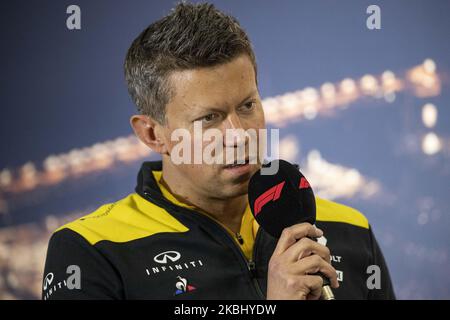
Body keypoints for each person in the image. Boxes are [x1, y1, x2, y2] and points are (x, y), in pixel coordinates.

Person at [42, 2, 395, 300]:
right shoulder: (91, 250)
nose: (239, 136)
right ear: (152, 134)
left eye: (247, 106)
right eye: (209, 118)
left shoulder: (350, 228)